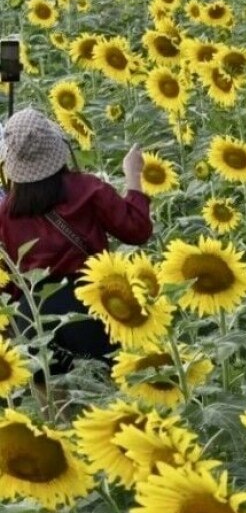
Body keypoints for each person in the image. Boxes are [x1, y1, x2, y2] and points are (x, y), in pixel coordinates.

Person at [0, 109, 150, 391]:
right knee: (111, 399)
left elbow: (5, 281)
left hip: (36, 318)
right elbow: (137, 230)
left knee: (57, 416)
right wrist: (133, 175)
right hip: (92, 305)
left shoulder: (5, 213)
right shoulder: (88, 189)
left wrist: (10, 329)